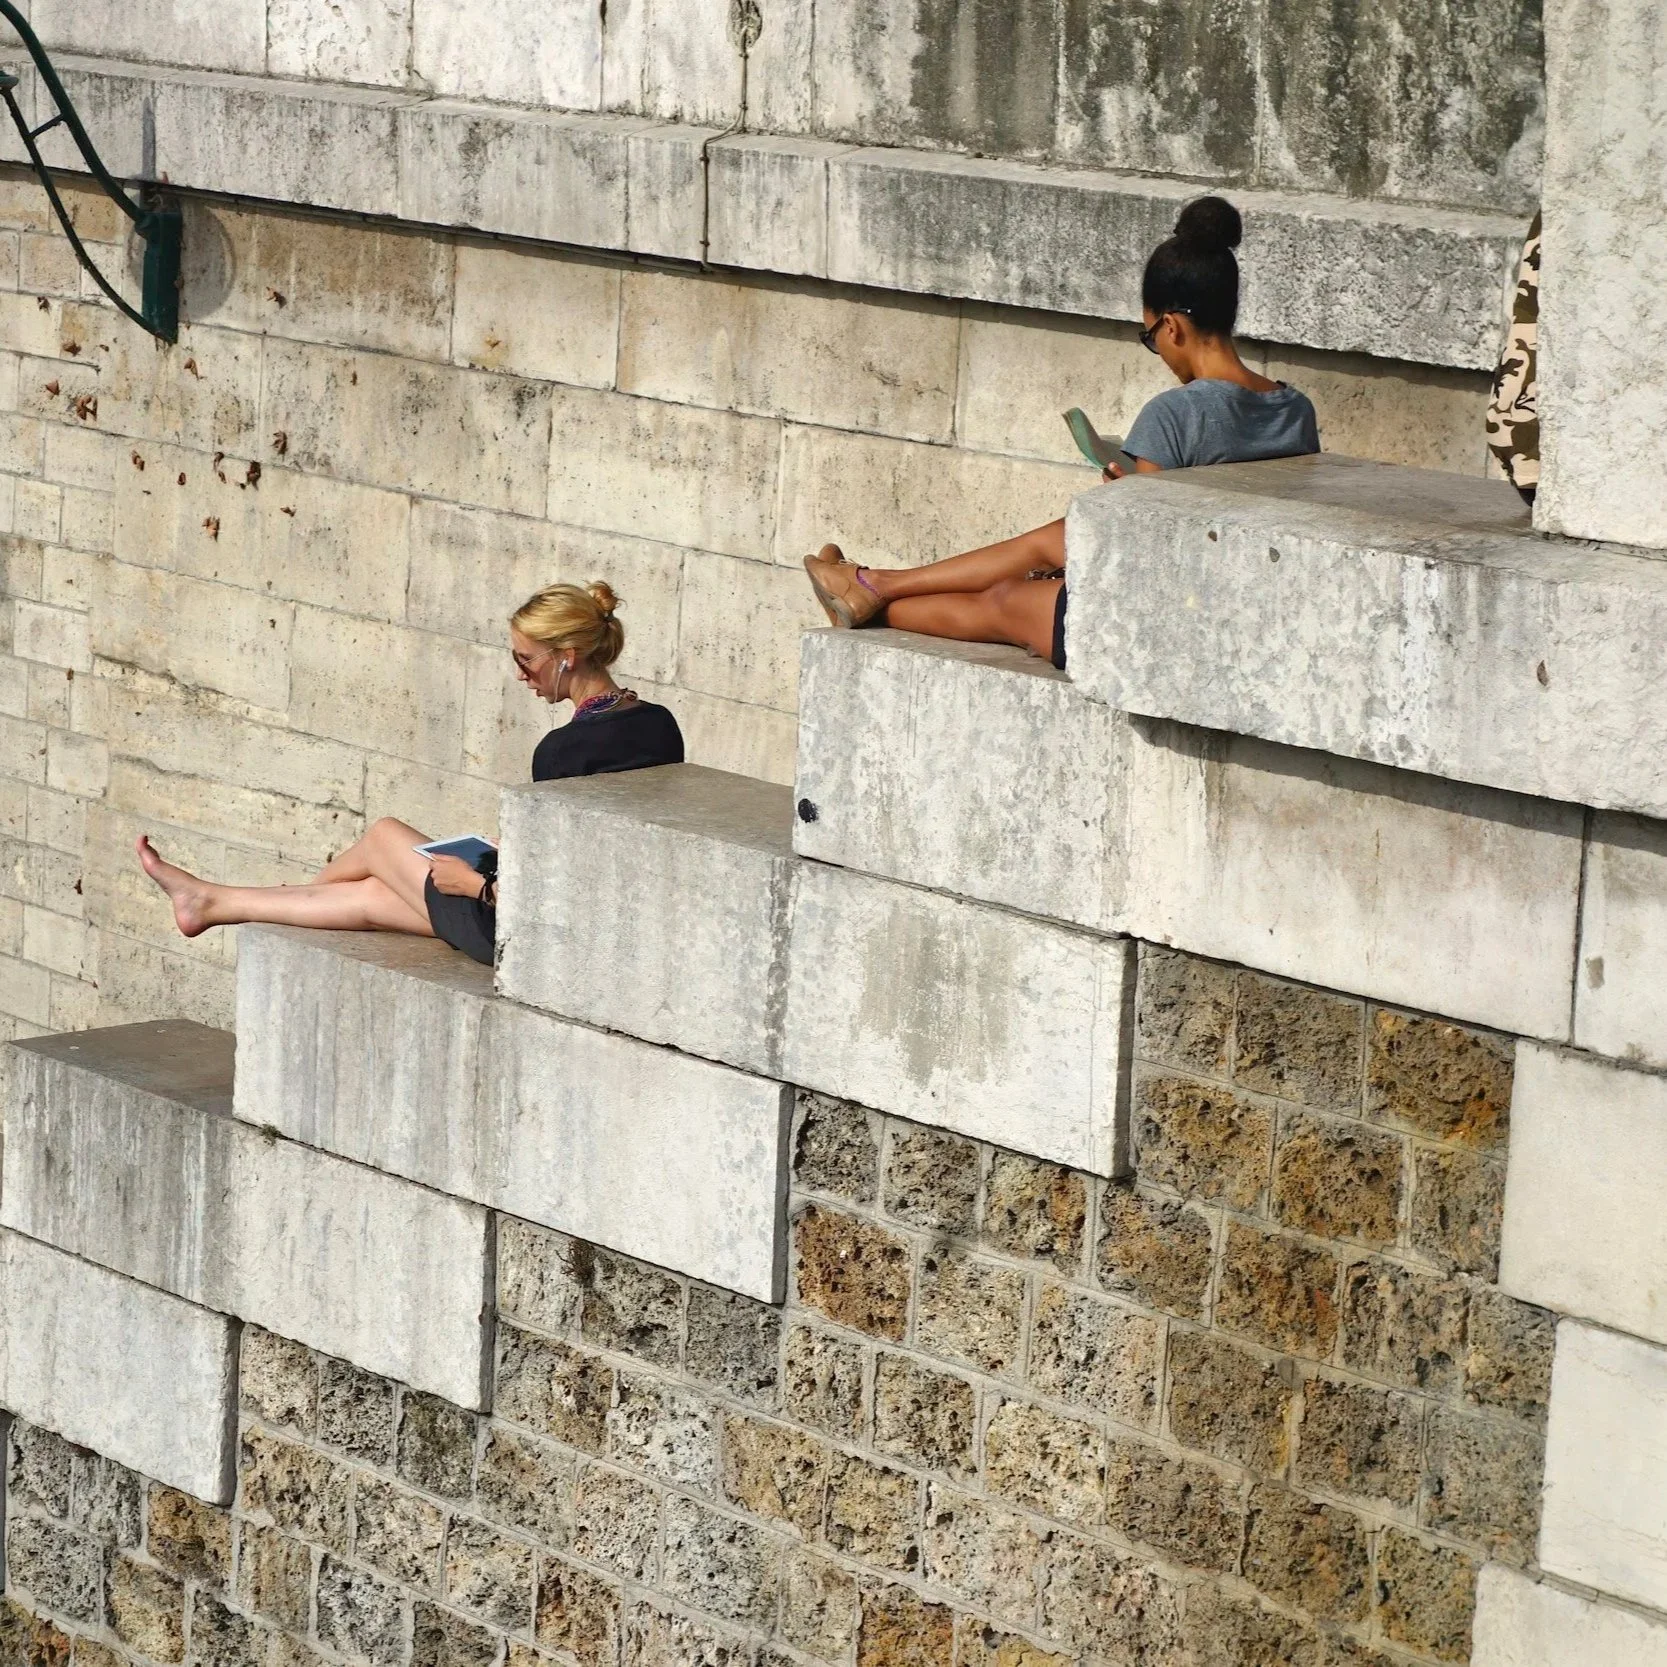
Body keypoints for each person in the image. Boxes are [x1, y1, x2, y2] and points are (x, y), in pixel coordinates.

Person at [802, 196, 1320, 670]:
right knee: (1050, 544)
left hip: (1159, 618)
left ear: (1172, 327)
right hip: (1233, 594)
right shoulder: (1296, 408)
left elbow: (1138, 548)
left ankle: (869, 596)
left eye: (1149, 337)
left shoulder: (1173, 414)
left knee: (1003, 600)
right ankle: (870, 584)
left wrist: (1118, 499)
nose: (1158, 352)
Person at [136, 581, 684, 966]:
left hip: (524, 932)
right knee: (375, 897)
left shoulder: (563, 751)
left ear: (567, 655)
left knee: (383, 838)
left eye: (524, 659)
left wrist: (476, 882)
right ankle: (212, 902)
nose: (520, 674)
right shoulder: (660, 723)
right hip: (592, 931)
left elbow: (562, 888)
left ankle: (252, 896)